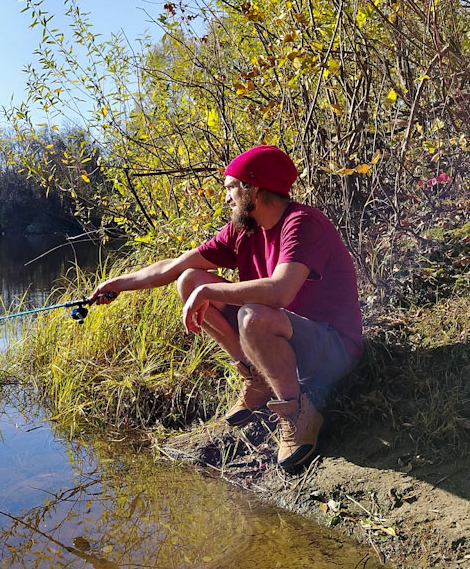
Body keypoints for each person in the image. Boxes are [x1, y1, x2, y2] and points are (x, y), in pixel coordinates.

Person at [89, 145, 363, 470]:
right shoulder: (244, 229)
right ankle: (258, 376)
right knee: (189, 279)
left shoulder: (303, 224)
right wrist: (117, 284)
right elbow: (175, 267)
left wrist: (210, 290)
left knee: (252, 315)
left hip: (332, 349)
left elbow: (278, 292)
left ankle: (297, 411)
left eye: (231, 188)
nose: (227, 198)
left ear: (254, 189)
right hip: (283, 335)